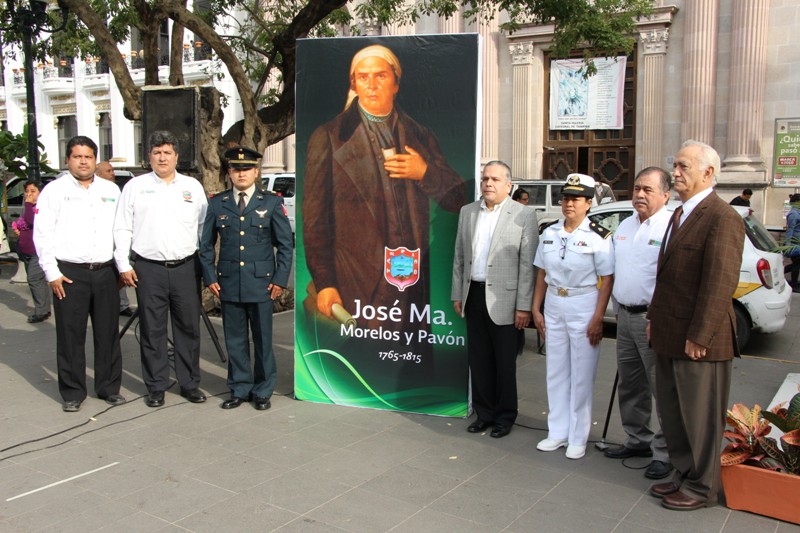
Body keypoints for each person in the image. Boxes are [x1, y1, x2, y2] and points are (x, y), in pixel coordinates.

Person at [304, 44, 466, 327]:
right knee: (363, 362)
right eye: (363, 77)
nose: (372, 85)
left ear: (396, 83)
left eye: (380, 76)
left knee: (408, 362)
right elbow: (315, 222)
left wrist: (424, 172)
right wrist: (325, 283)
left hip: (410, 282)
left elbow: (458, 200)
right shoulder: (329, 137)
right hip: (357, 279)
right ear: (353, 83)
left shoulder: (420, 135)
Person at [647, 140, 744, 511]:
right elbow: (666, 278)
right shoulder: (679, 214)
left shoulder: (722, 217)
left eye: (684, 166)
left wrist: (700, 335)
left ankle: (704, 488)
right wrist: (654, 320)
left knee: (700, 417)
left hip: (699, 340)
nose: (676, 173)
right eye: (675, 165)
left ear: (708, 173)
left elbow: (720, 283)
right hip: (670, 333)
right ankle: (684, 474)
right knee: (674, 413)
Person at [114, 130, 208, 408]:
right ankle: (155, 385)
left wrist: (206, 266)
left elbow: (204, 227)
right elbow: (122, 226)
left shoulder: (192, 187)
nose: (162, 157)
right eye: (157, 152)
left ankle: (189, 383)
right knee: (152, 330)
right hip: (149, 269)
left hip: (186, 268)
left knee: (188, 328)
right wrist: (122, 263)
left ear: (177, 156)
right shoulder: (135, 186)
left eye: (167, 152)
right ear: (149, 157)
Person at [33, 136, 125, 412]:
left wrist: (122, 265)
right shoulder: (54, 191)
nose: (83, 161)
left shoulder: (111, 190)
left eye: (88, 156)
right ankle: (73, 391)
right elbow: (42, 233)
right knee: (71, 334)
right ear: (67, 159)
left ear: (95, 160)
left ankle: (108, 387)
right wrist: (51, 273)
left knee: (108, 332)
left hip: (105, 271)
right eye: (77, 156)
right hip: (69, 273)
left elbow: (121, 230)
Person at [199, 146, 293, 410]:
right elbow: (205, 245)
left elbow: (285, 245)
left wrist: (279, 279)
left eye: (247, 169)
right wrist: (209, 277)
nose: (241, 174)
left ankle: (263, 390)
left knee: (263, 340)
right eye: (236, 169)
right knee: (235, 339)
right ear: (229, 172)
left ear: (256, 171)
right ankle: (239, 388)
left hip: (262, 284)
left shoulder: (271, 202)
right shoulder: (218, 203)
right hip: (229, 283)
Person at [452, 161, 537, 438]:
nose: (488, 183)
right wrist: (457, 294)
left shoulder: (523, 215)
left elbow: (528, 265)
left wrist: (524, 306)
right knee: (479, 360)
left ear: (508, 185)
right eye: (485, 178)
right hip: (473, 294)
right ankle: (483, 413)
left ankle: (504, 417)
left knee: (504, 362)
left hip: (506, 300)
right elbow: (460, 257)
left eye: (495, 179)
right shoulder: (468, 212)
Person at [532, 173, 614, 459]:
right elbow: (542, 272)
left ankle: (578, 436)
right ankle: (557, 432)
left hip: (584, 302)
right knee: (556, 370)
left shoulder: (599, 237)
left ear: (589, 203)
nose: (568, 204)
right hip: (555, 301)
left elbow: (607, 278)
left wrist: (598, 317)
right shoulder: (550, 233)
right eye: (565, 198)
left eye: (575, 199)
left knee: (581, 373)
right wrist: (536, 308)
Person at [604, 167, 672, 480]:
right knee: (631, 384)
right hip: (625, 317)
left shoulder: (672, 226)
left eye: (647, 189)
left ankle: (666, 452)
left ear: (665, 195)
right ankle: (638, 439)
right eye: (636, 189)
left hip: (653, 319)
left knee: (661, 388)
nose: (640, 195)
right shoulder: (625, 226)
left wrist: (658, 318)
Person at [96, 161, 134, 317]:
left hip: (117, 243)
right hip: (99, 250)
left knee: (119, 274)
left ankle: (121, 304)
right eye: (108, 170)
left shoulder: (115, 191)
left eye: (112, 170)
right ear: (98, 173)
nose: (112, 173)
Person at [13, 180, 52, 323]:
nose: (28, 195)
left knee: (34, 279)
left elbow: (32, 220)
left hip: (38, 251)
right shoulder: (29, 207)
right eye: (27, 191)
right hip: (26, 251)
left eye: (33, 191)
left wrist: (29, 204)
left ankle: (41, 311)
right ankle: (44, 308)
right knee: (37, 281)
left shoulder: (39, 207)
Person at [786, 193, 800, 293]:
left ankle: (778, 273)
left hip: (798, 242)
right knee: (797, 264)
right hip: (794, 243)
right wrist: (787, 245)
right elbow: (790, 230)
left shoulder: (797, 213)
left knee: (797, 263)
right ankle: (794, 283)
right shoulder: (794, 214)